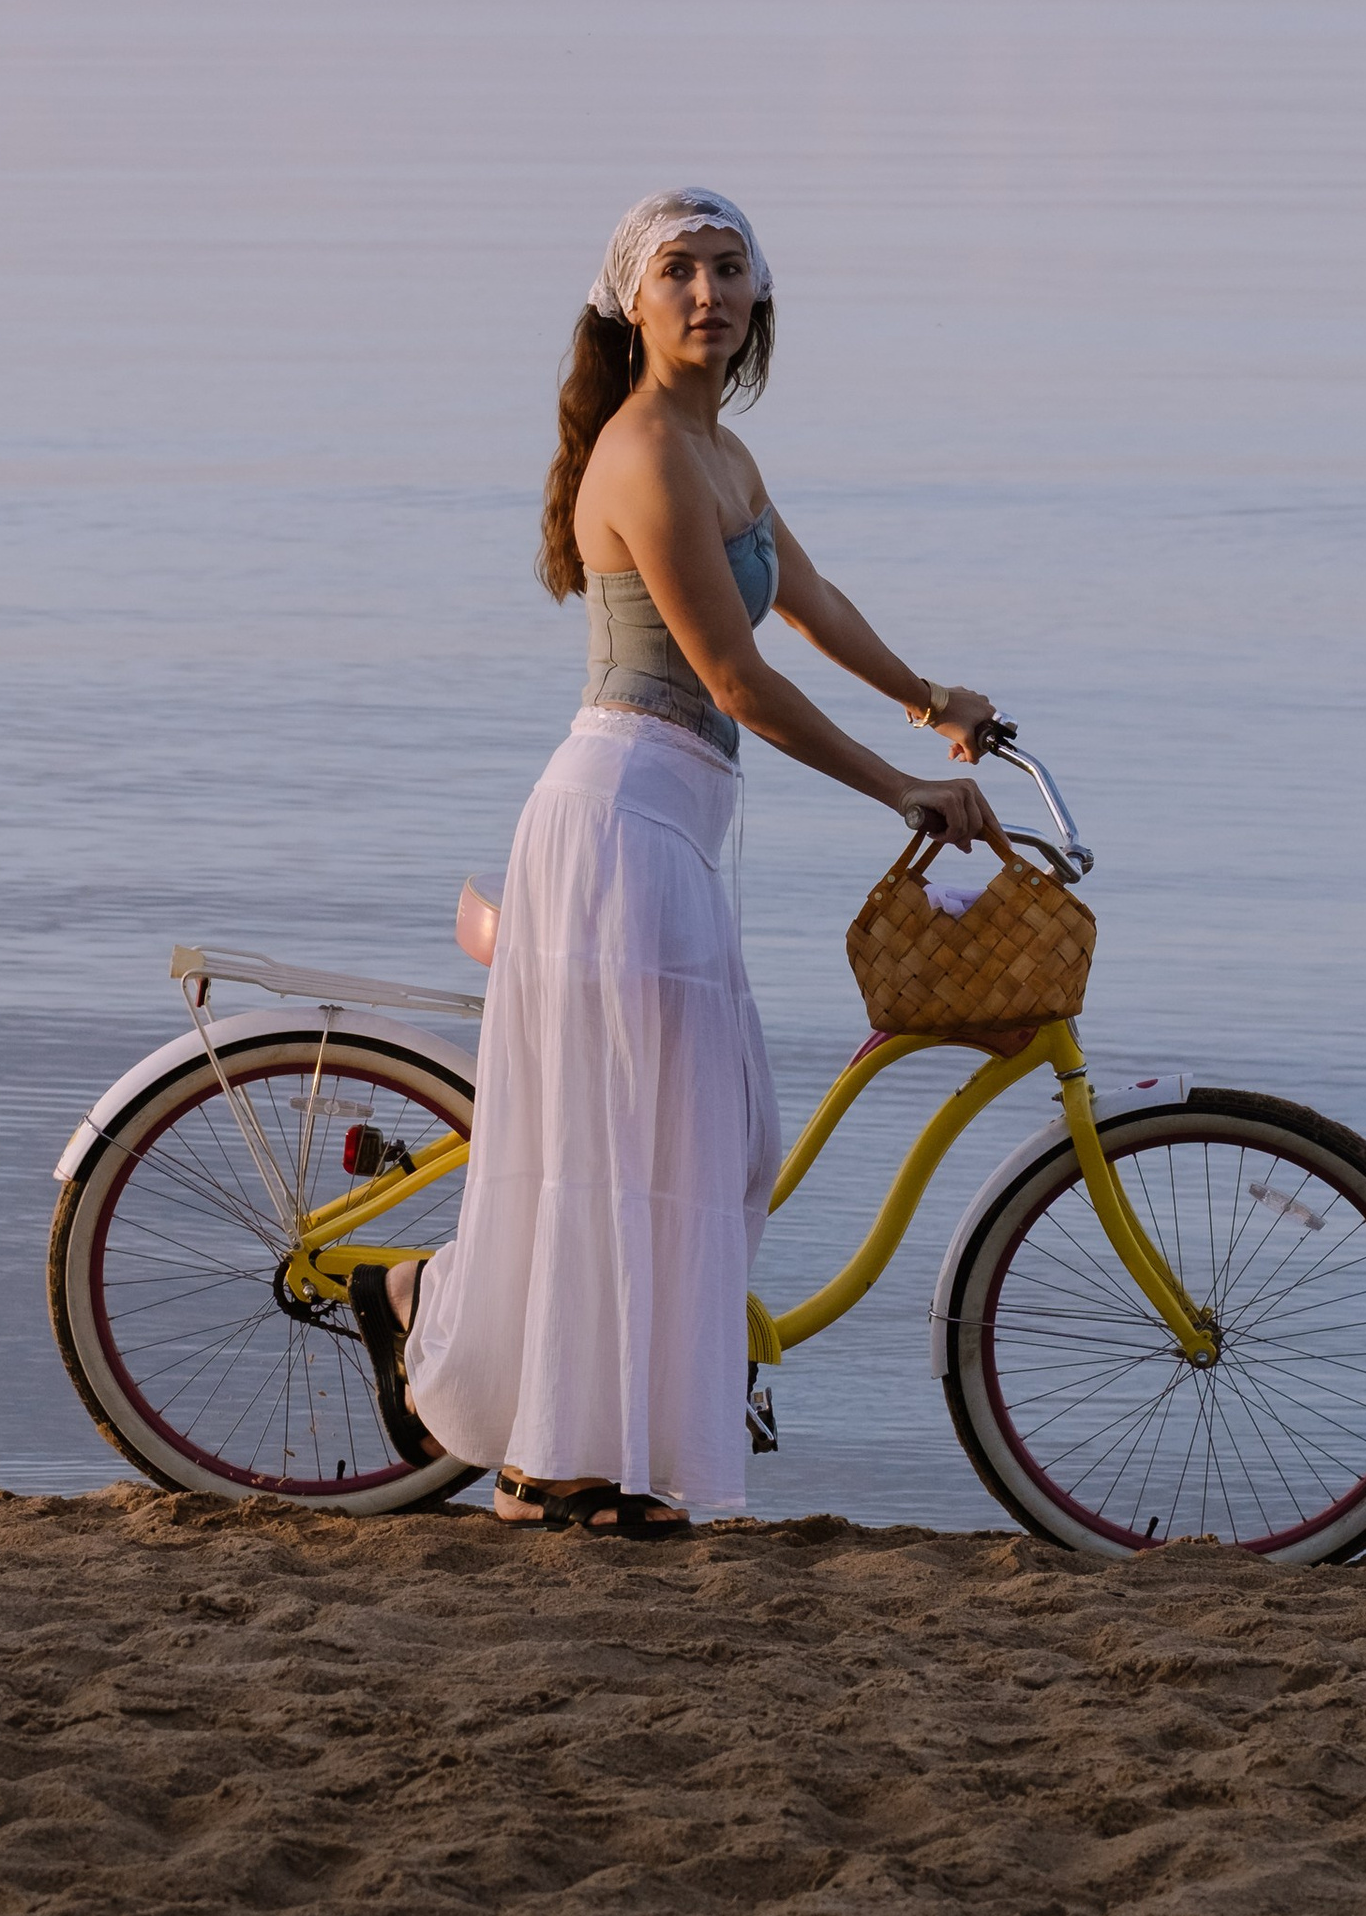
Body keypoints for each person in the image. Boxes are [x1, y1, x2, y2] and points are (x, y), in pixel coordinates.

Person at [351, 185, 1003, 1540]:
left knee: (706, 1142)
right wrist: (898, 790)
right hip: (622, 821)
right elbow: (732, 675)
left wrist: (930, 697)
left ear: (760, 300)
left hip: (674, 826)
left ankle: (594, 1434)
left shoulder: (723, 454)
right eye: (678, 275)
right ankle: (532, 1443)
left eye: (727, 270)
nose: (706, 295)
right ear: (630, 307)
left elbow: (805, 603)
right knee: (634, 1147)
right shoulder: (646, 456)